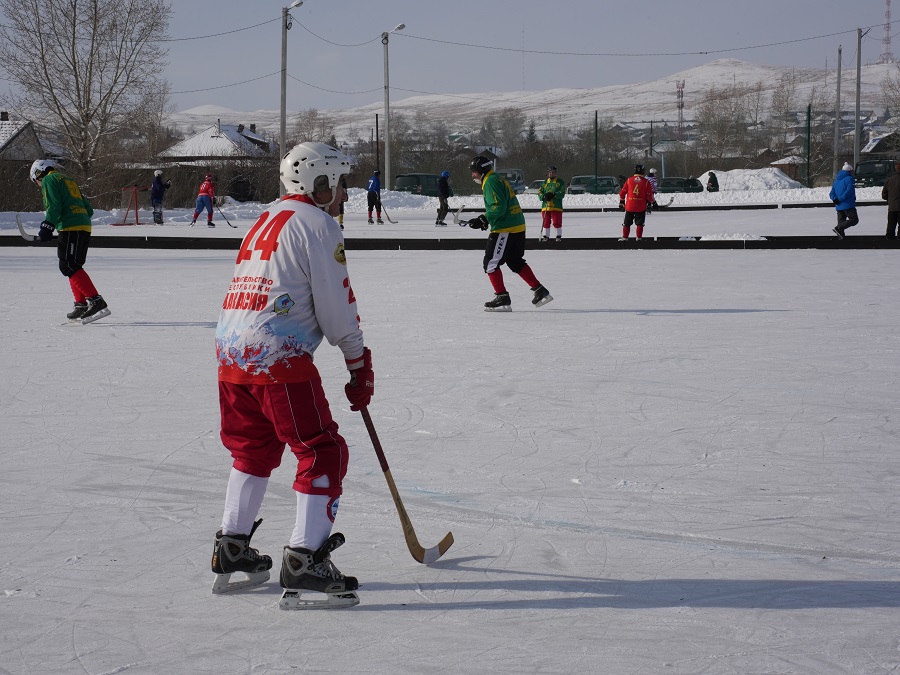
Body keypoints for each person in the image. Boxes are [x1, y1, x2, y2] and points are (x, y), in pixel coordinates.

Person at [211, 141, 370, 609]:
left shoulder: (264, 218)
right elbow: (336, 306)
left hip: (231, 356)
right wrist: (358, 362)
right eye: (338, 184)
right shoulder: (318, 224)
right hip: (277, 358)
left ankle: (231, 546)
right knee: (323, 451)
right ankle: (306, 560)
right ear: (319, 183)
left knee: (253, 450)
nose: (342, 195)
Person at [29, 159, 111, 324]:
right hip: (83, 225)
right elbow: (89, 209)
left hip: (70, 226)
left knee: (68, 266)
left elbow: (54, 206)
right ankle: (81, 305)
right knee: (73, 265)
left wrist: (47, 226)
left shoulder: (48, 180)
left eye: (36, 180)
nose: (38, 184)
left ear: (39, 173)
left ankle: (96, 301)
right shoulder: (68, 180)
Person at [468, 155, 552, 312]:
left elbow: (498, 207)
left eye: (474, 171)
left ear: (481, 170)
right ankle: (540, 290)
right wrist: (486, 220)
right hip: (517, 224)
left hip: (505, 228)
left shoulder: (491, 181)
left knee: (490, 263)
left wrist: (484, 218)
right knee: (515, 261)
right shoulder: (496, 178)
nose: (473, 175)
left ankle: (502, 298)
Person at [618, 164, 657, 241]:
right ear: (643, 171)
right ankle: (638, 238)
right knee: (640, 223)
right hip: (641, 206)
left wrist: (622, 201)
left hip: (630, 206)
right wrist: (654, 203)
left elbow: (622, 193)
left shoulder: (629, 180)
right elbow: (649, 195)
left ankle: (625, 237)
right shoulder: (646, 182)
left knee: (627, 223)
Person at [830, 162, 858, 239]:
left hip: (838, 205)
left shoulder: (836, 181)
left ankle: (841, 240)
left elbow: (831, 193)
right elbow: (849, 191)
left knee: (841, 223)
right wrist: (841, 199)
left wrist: (835, 199)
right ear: (849, 171)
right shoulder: (850, 179)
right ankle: (838, 228)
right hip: (848, 204)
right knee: (854, 220)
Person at [538, 165, 565, 242]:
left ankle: (558, 235)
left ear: (556, 173)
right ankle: (545, 236)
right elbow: (540, 191)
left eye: (553, 172)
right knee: (545, 221)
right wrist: (543, 197)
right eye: (550, 172)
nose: (551, 174)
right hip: (546, 206)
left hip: (556, 206)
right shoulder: (545, 182)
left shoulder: (560, 182)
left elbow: (562, 192)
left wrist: (554, 195)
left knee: (557, 221)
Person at [882, 162, 900, 240]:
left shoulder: (889, 179)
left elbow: (884, 195)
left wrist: (890, 200)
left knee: (891, 224)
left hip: (892, 206)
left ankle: (889, 238)